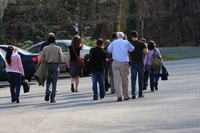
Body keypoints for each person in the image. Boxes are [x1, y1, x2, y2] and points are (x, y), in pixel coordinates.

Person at [107, 32, 134, 101]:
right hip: (124, 62)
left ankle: (119, 95)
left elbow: (109, 50)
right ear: (123, 36)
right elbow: (132, 49)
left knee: (116, 79)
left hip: (115, 61)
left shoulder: (113, 42)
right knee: (125, 79)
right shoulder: (126, 42)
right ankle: (125, 95)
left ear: (116, 36)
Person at [40, 36, 63, 103]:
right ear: (55, 41)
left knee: (48, 80)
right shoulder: (58, 48)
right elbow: (61, 58)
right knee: (54, 82)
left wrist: (45, 60)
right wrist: (58, 62)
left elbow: (41, 58)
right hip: (55, 65)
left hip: (47, 65)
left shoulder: (45, 48)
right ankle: (52, 98)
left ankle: (47, 91)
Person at [130, 31, 148, 99]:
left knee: (133, 78)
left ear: (132, 37)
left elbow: (128, 55)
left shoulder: (130, 44)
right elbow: (146, 53)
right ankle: (140, 93)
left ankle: (133, 93)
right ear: (137, 36)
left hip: (133, 62)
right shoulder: (141, 44)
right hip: (140, 62)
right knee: (140, 78)